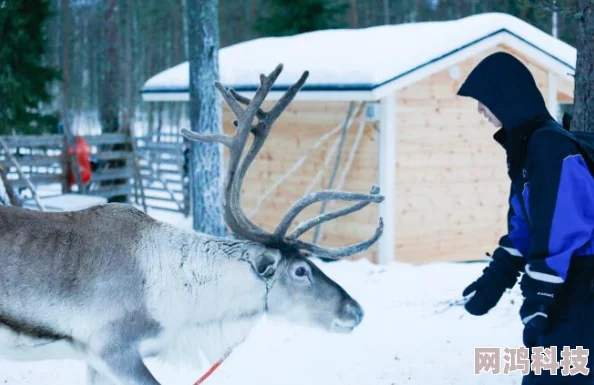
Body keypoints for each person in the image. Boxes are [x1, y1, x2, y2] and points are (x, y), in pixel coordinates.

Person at [457, 51, 594, 384]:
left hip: (583, 286)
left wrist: (540, 295)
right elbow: (524, 228)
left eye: (483, 100)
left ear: (505, 95)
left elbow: (564, 230)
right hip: (566, 285)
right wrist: (497, 277)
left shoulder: (551, 148)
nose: (480, 110)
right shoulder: (528, 148)